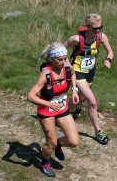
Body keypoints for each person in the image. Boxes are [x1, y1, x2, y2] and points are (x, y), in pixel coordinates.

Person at [27, 43, 79, 177]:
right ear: (51, 59)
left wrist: (74, 90)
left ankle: (58, 145)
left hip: (62, 107)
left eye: (65, 58)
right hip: (46, 110)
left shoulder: (67, 65)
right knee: (51, 142)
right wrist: (49, 104)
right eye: (59, 59)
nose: (63, 62)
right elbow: (30, 96)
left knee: (73, 141)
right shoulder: (45, 74)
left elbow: (73, 74)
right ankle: (45, 162)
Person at [64, 14, 113, 145]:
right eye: (94, 28)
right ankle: (98, 132)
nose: (98, 30)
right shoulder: (76, 38)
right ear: (87, 26)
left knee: (79, 99)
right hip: (77, 72)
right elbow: (62, 50)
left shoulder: (101, 37)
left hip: (90, 72)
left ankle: (61, 112)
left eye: (100, 27)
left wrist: (108, 60)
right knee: (92, 102)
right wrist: (68, 65)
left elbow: (110, 52)